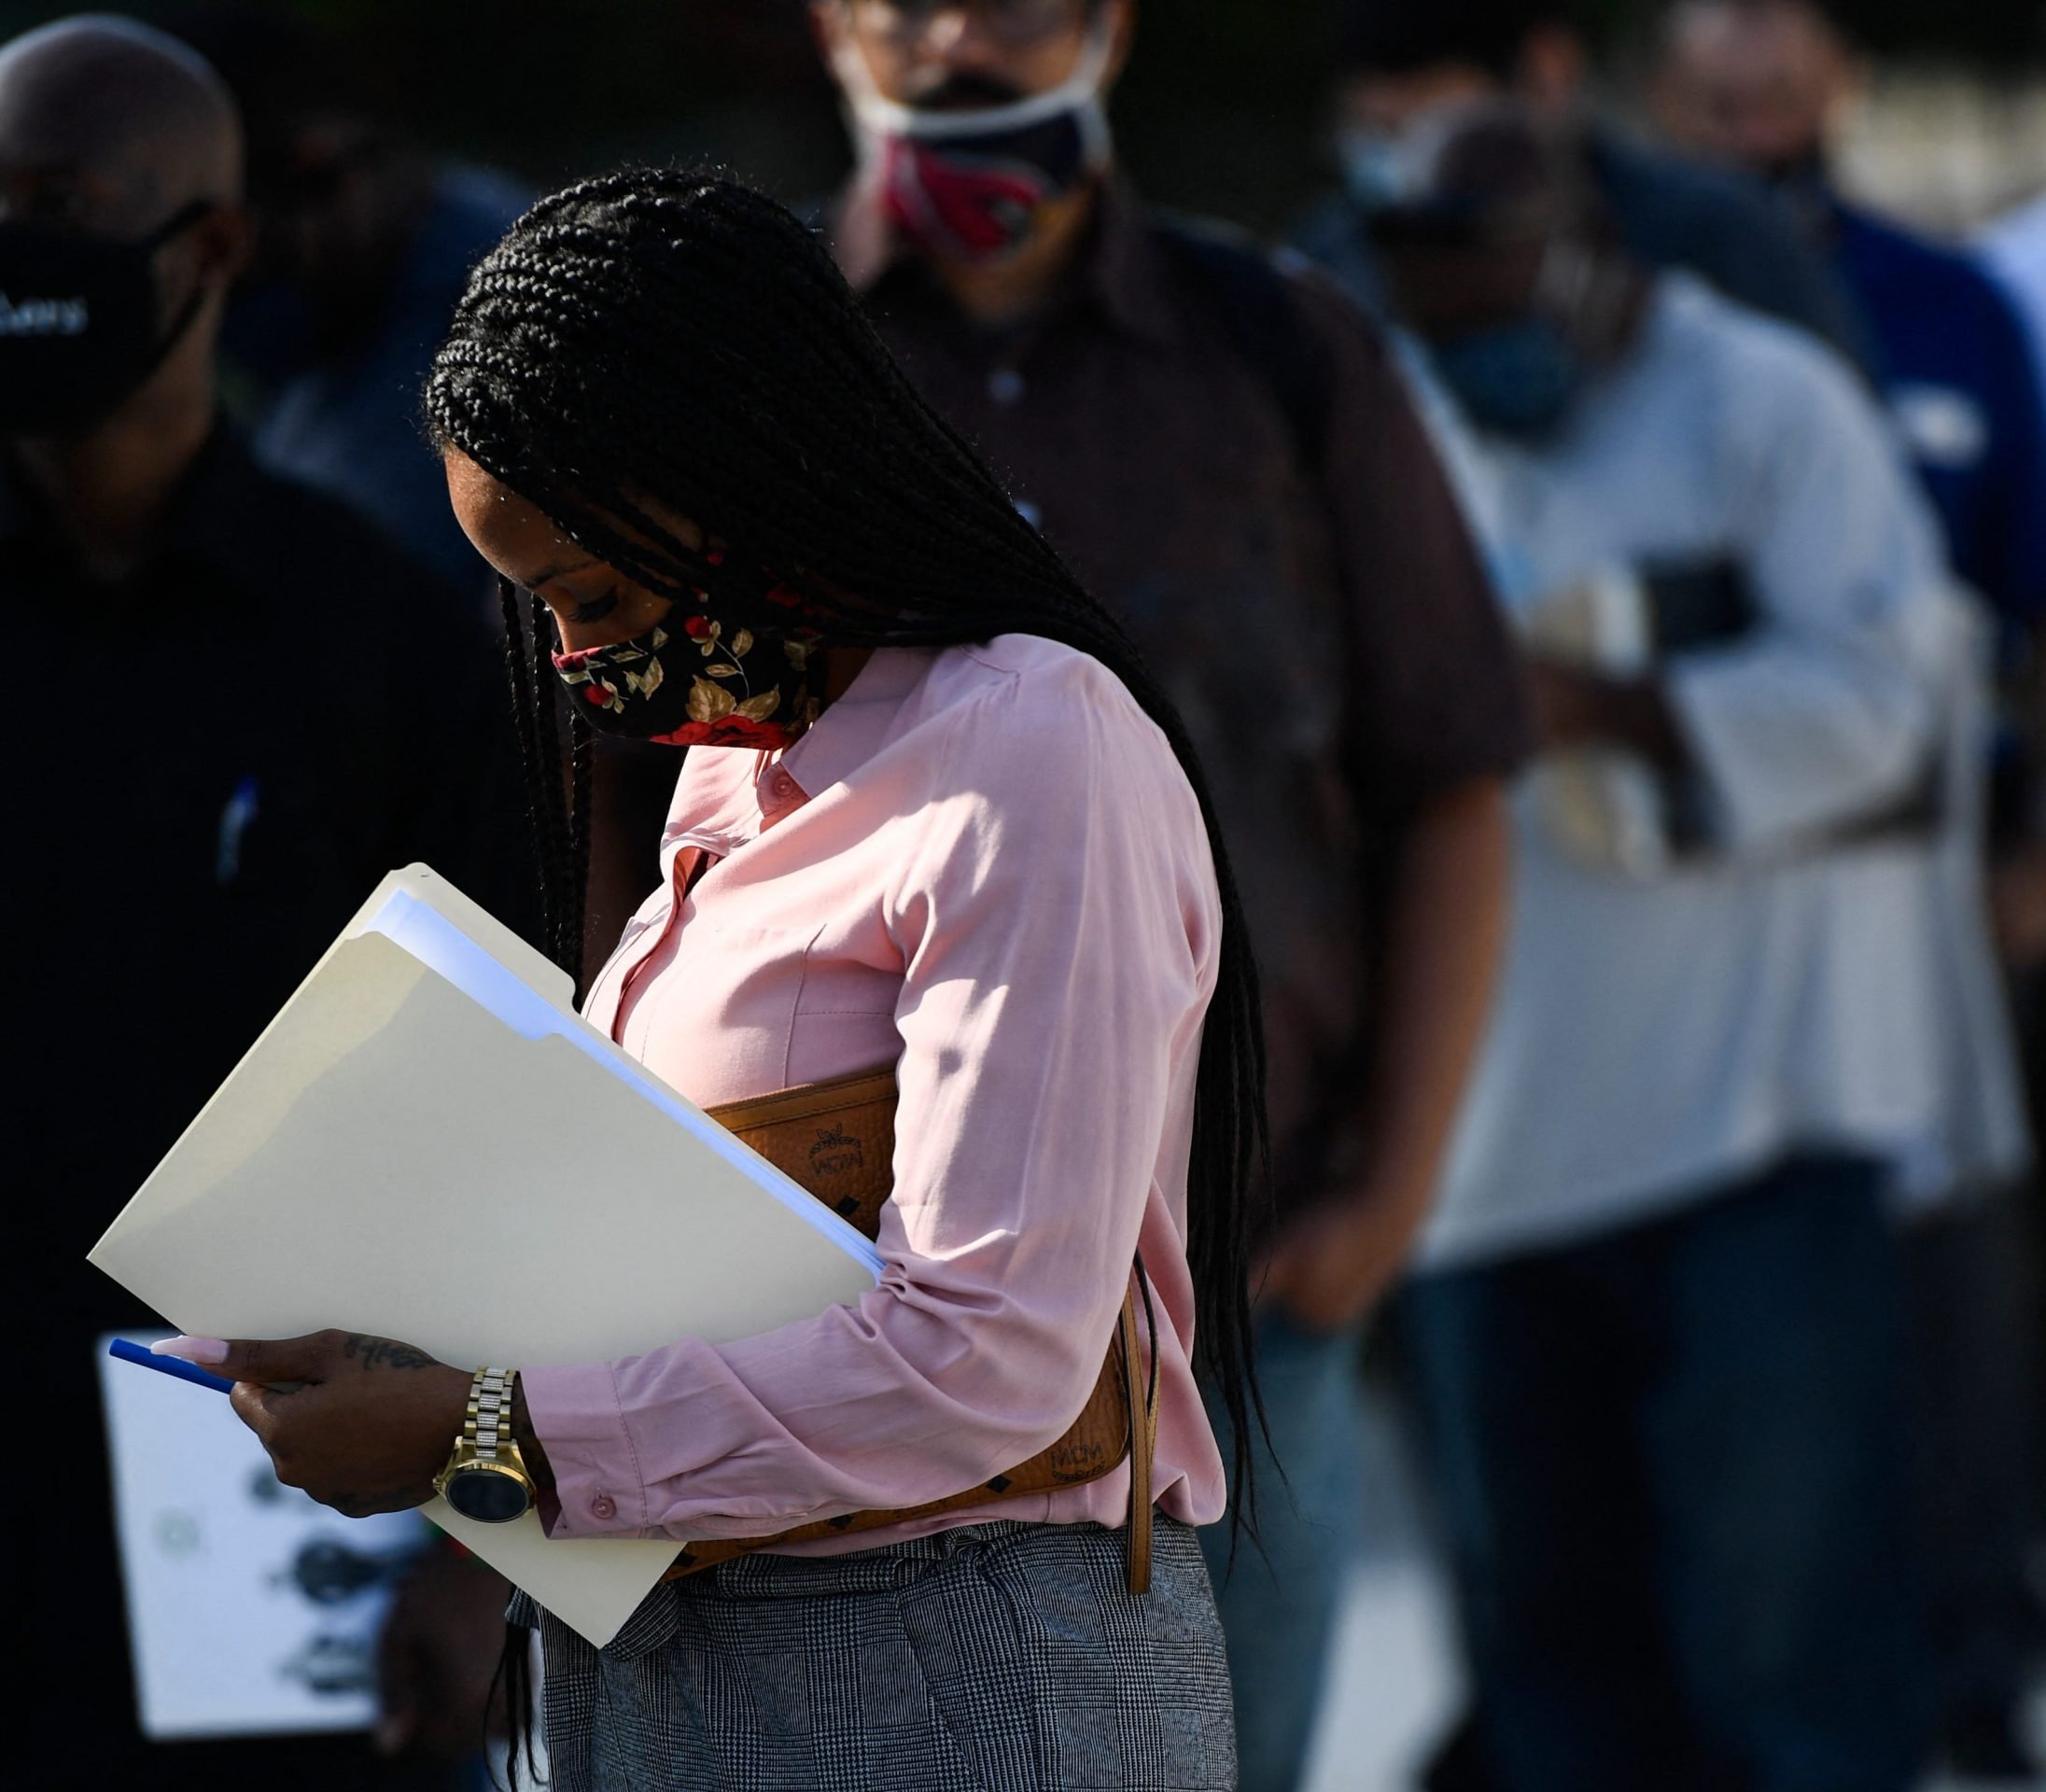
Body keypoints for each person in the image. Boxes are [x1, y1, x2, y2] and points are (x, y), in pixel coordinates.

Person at [160, 164, 1266, 1792]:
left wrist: (489, 1432)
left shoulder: (1031, 748)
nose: (572, 667)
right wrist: (404, 1363)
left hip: (950, 1666)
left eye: (592, 599)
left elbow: (991, 1357)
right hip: (672, 1650)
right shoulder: (734, 777)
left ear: (742, 474)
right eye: (535, 612)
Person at [0, 18, 516, 1788]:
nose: (3, 242)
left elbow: (511, 1124)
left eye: (63, 199)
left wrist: (472, 1557)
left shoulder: (385, 650)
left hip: (290, 1615)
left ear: (212, 247)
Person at [802, 4, 1526, 1784]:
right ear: (834, 24)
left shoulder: (1286, 351)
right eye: (910, 2)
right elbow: (619, 796)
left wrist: (1390, 1203)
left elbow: (1450, 780)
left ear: (1113, 27)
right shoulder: (759, 354)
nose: (964, 37)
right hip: (826, 1309)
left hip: (1248, 1306)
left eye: (1024, 0)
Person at [1374, 106, 1995, 1792]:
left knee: (1785, 1656)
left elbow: (1898, 706)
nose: (1477, 346)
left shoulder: (1759, 404)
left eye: (1499, 303)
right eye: (1438, 313)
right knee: (1556, 1667)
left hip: (1753, 1134)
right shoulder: (1394, 418)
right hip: (1485, 1158)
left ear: (1587, 255)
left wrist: (1612, 705)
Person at [1652, 7, 2046, 1774]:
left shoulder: (1949, 300)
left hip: (1933, 877)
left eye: (1775, 38)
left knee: (1951, 1268)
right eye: (1707, 41)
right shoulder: (1613, 302)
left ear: (1839, 72)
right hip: (1682, 895)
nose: (1745, 81)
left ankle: (1965, 1647)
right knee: (1731, 1290)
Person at [1652, 0, 2046, 630]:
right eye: (1724, 108)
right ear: (1667, 100)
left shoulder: (1958, 306)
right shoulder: (1621, 313)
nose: (1756, 139)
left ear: (1840, 83)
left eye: (1780, 101)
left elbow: (2027, 586)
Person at [1308, 0, 1870, 371]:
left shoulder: (1716, 236)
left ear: (1546, 74)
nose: (1408, 171)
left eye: (1438, 137)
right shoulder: (1337, 262)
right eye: (1374, 133)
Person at [179, 7, 528, 593]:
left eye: (230, 244)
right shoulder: (340, 330)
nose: (217, 278)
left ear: (322, 166)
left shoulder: (508, 318)